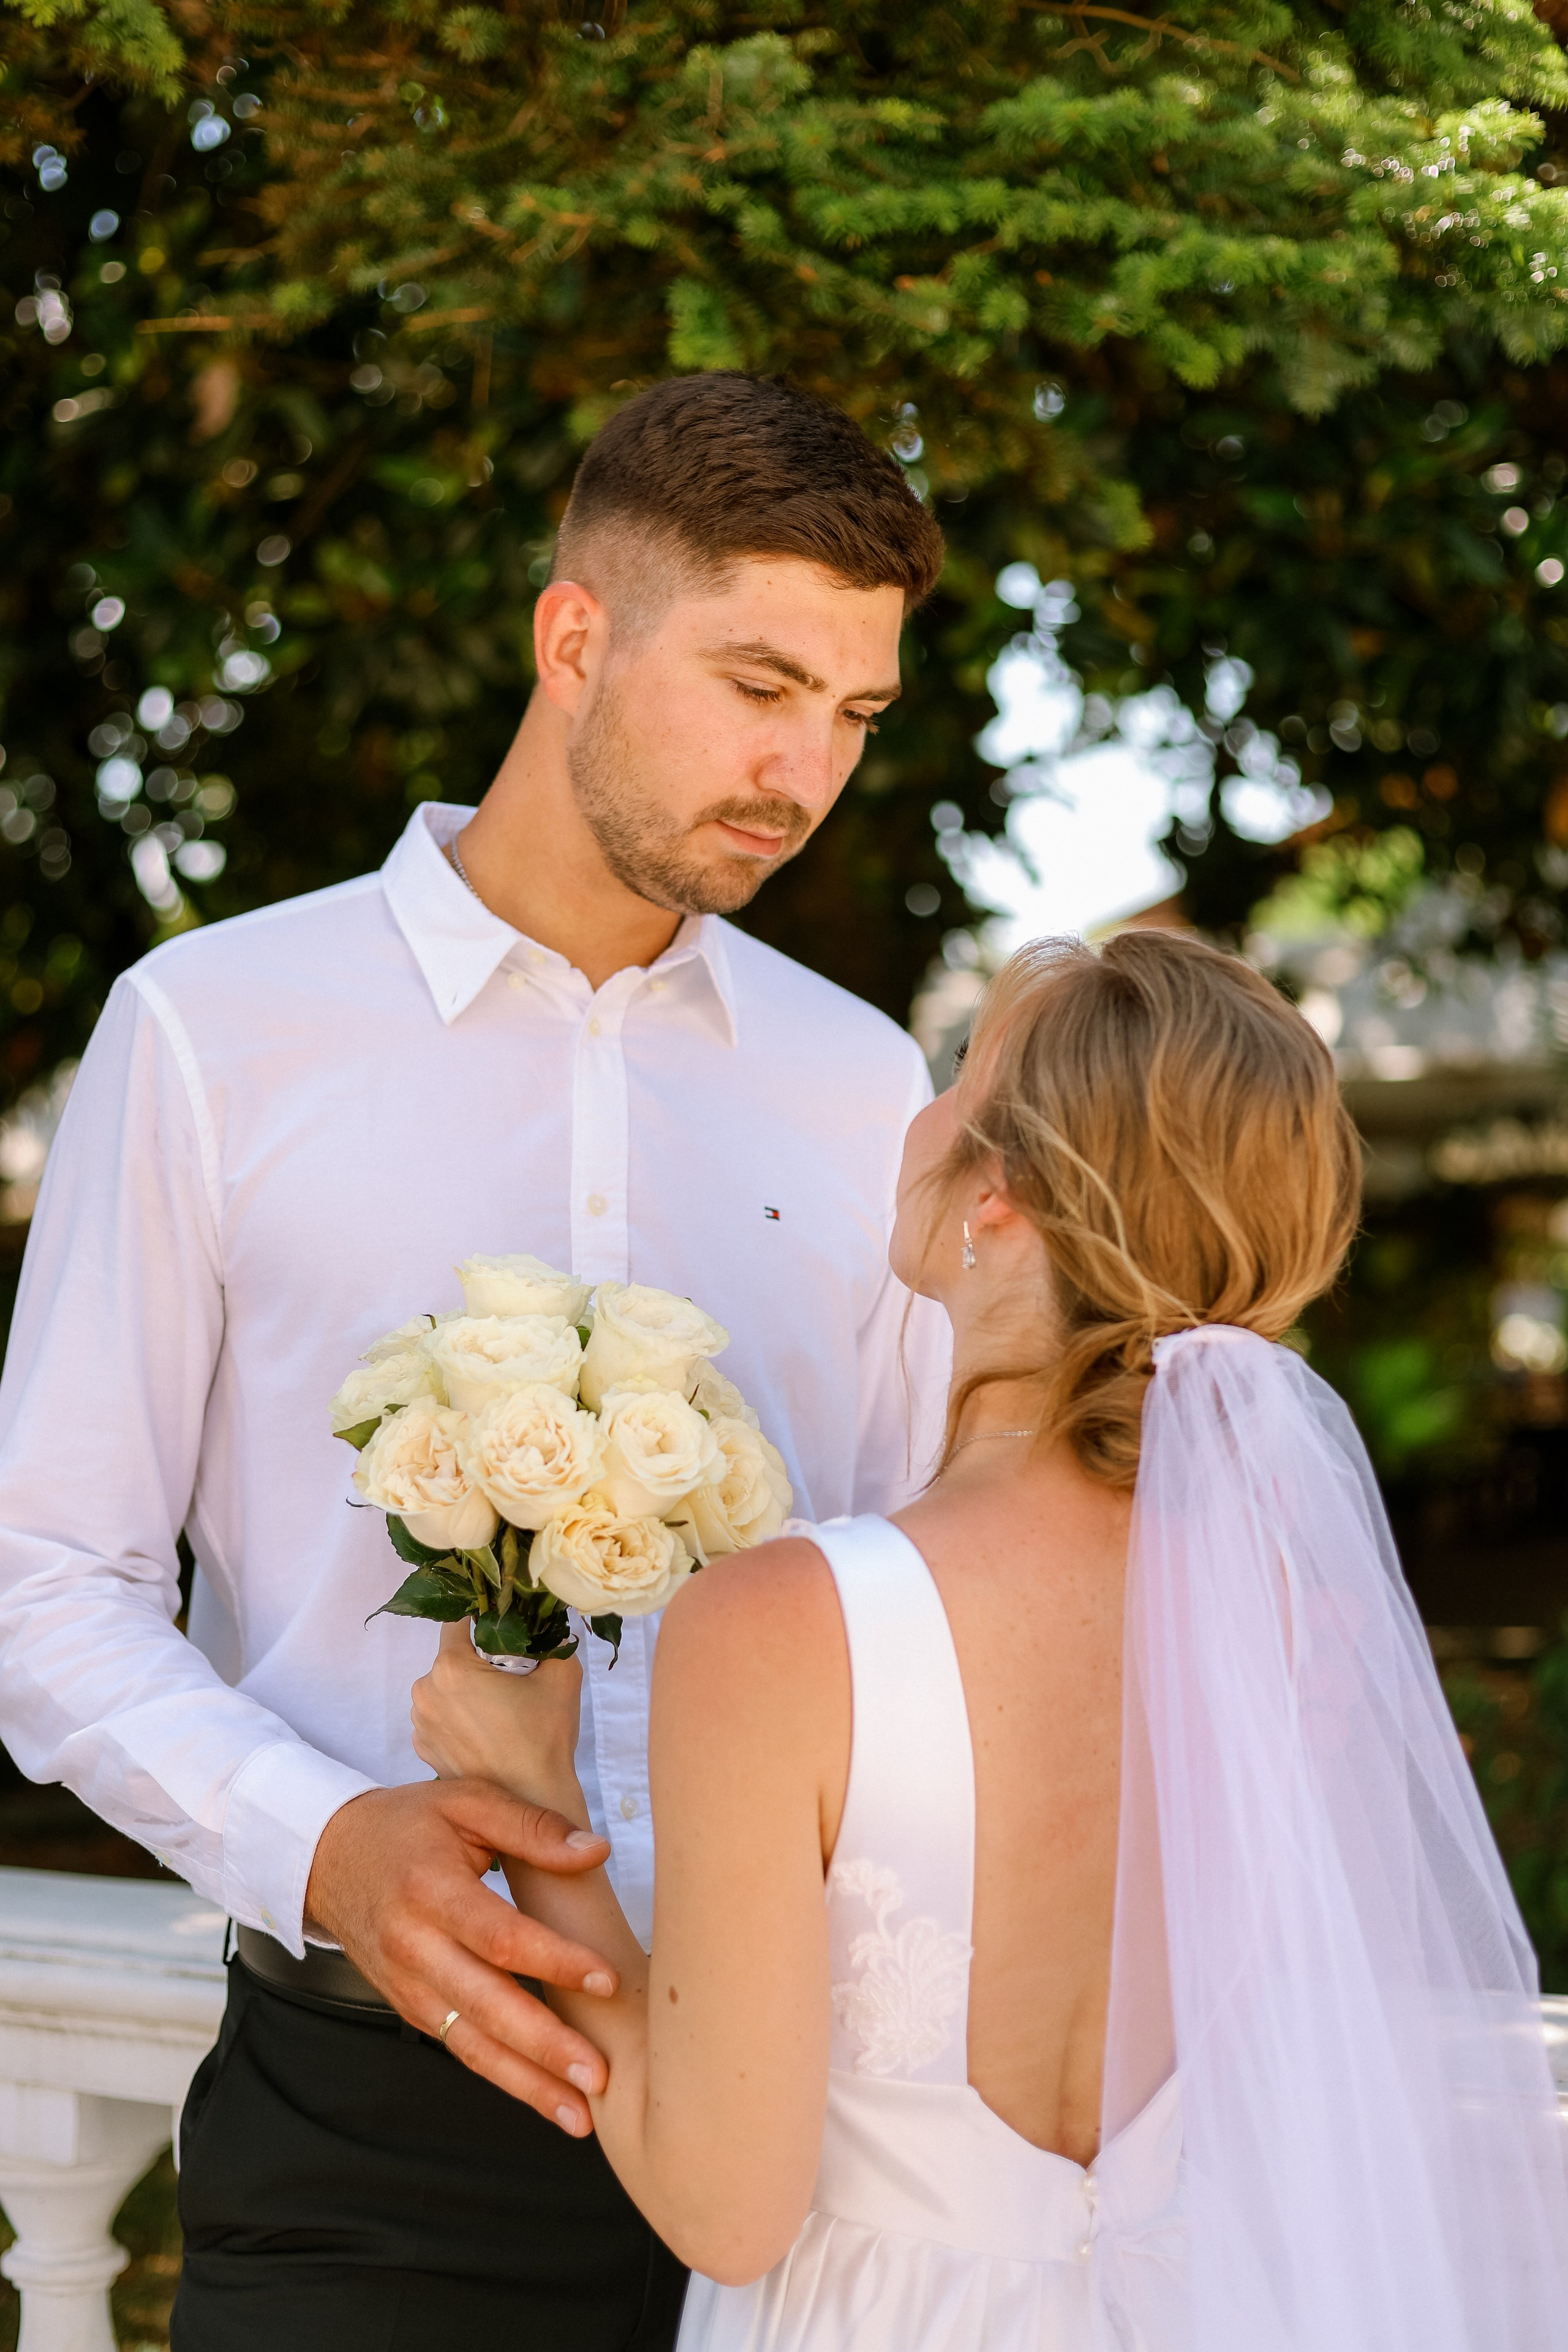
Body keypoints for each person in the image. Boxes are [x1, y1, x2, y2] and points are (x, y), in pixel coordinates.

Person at [0, 372, 951, 2351]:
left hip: (791, 2130)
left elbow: (914, 1591)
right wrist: (323, 1845)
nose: (805, 769)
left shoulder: (865, 1088)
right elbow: (42, 1583)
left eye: (852, 715)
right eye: (759, 682)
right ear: (574, 636)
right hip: (364, 2133)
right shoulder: (209, 1031)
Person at [412, 928, 1568, 2351]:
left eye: (961, 1076)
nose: (924, 1117)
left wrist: (535, 1803)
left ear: (1000, 1195)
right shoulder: (1273, 1610)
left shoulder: (785, 1626)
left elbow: (726, 2209)